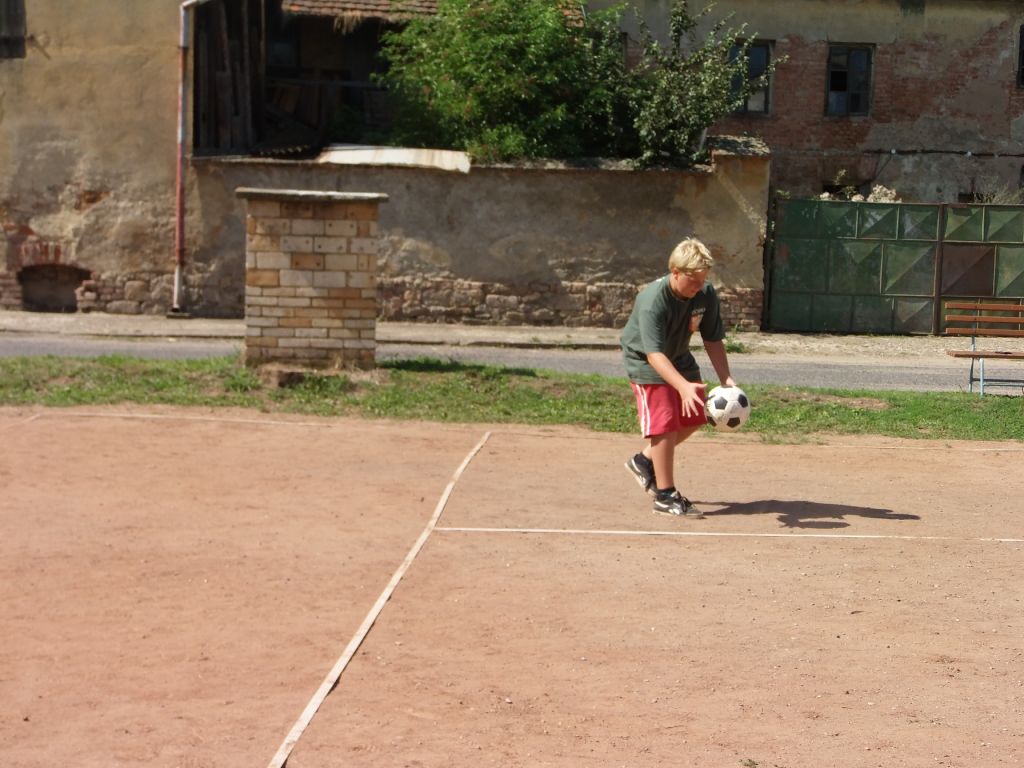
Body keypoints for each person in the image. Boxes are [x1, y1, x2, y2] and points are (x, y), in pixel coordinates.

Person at [620, 237, 737, 518]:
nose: (699, 287)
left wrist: (726, 380)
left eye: (703, 280)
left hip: (679, 356)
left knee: (697, 415)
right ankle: (665, 495)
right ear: (675, 272)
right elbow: (654, 355)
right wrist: (682, 386)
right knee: (665, 424)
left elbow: (712, 338)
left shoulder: (704, 294)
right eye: (693, 281)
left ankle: (644, 461)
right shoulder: (652, 301)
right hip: (646, 361)